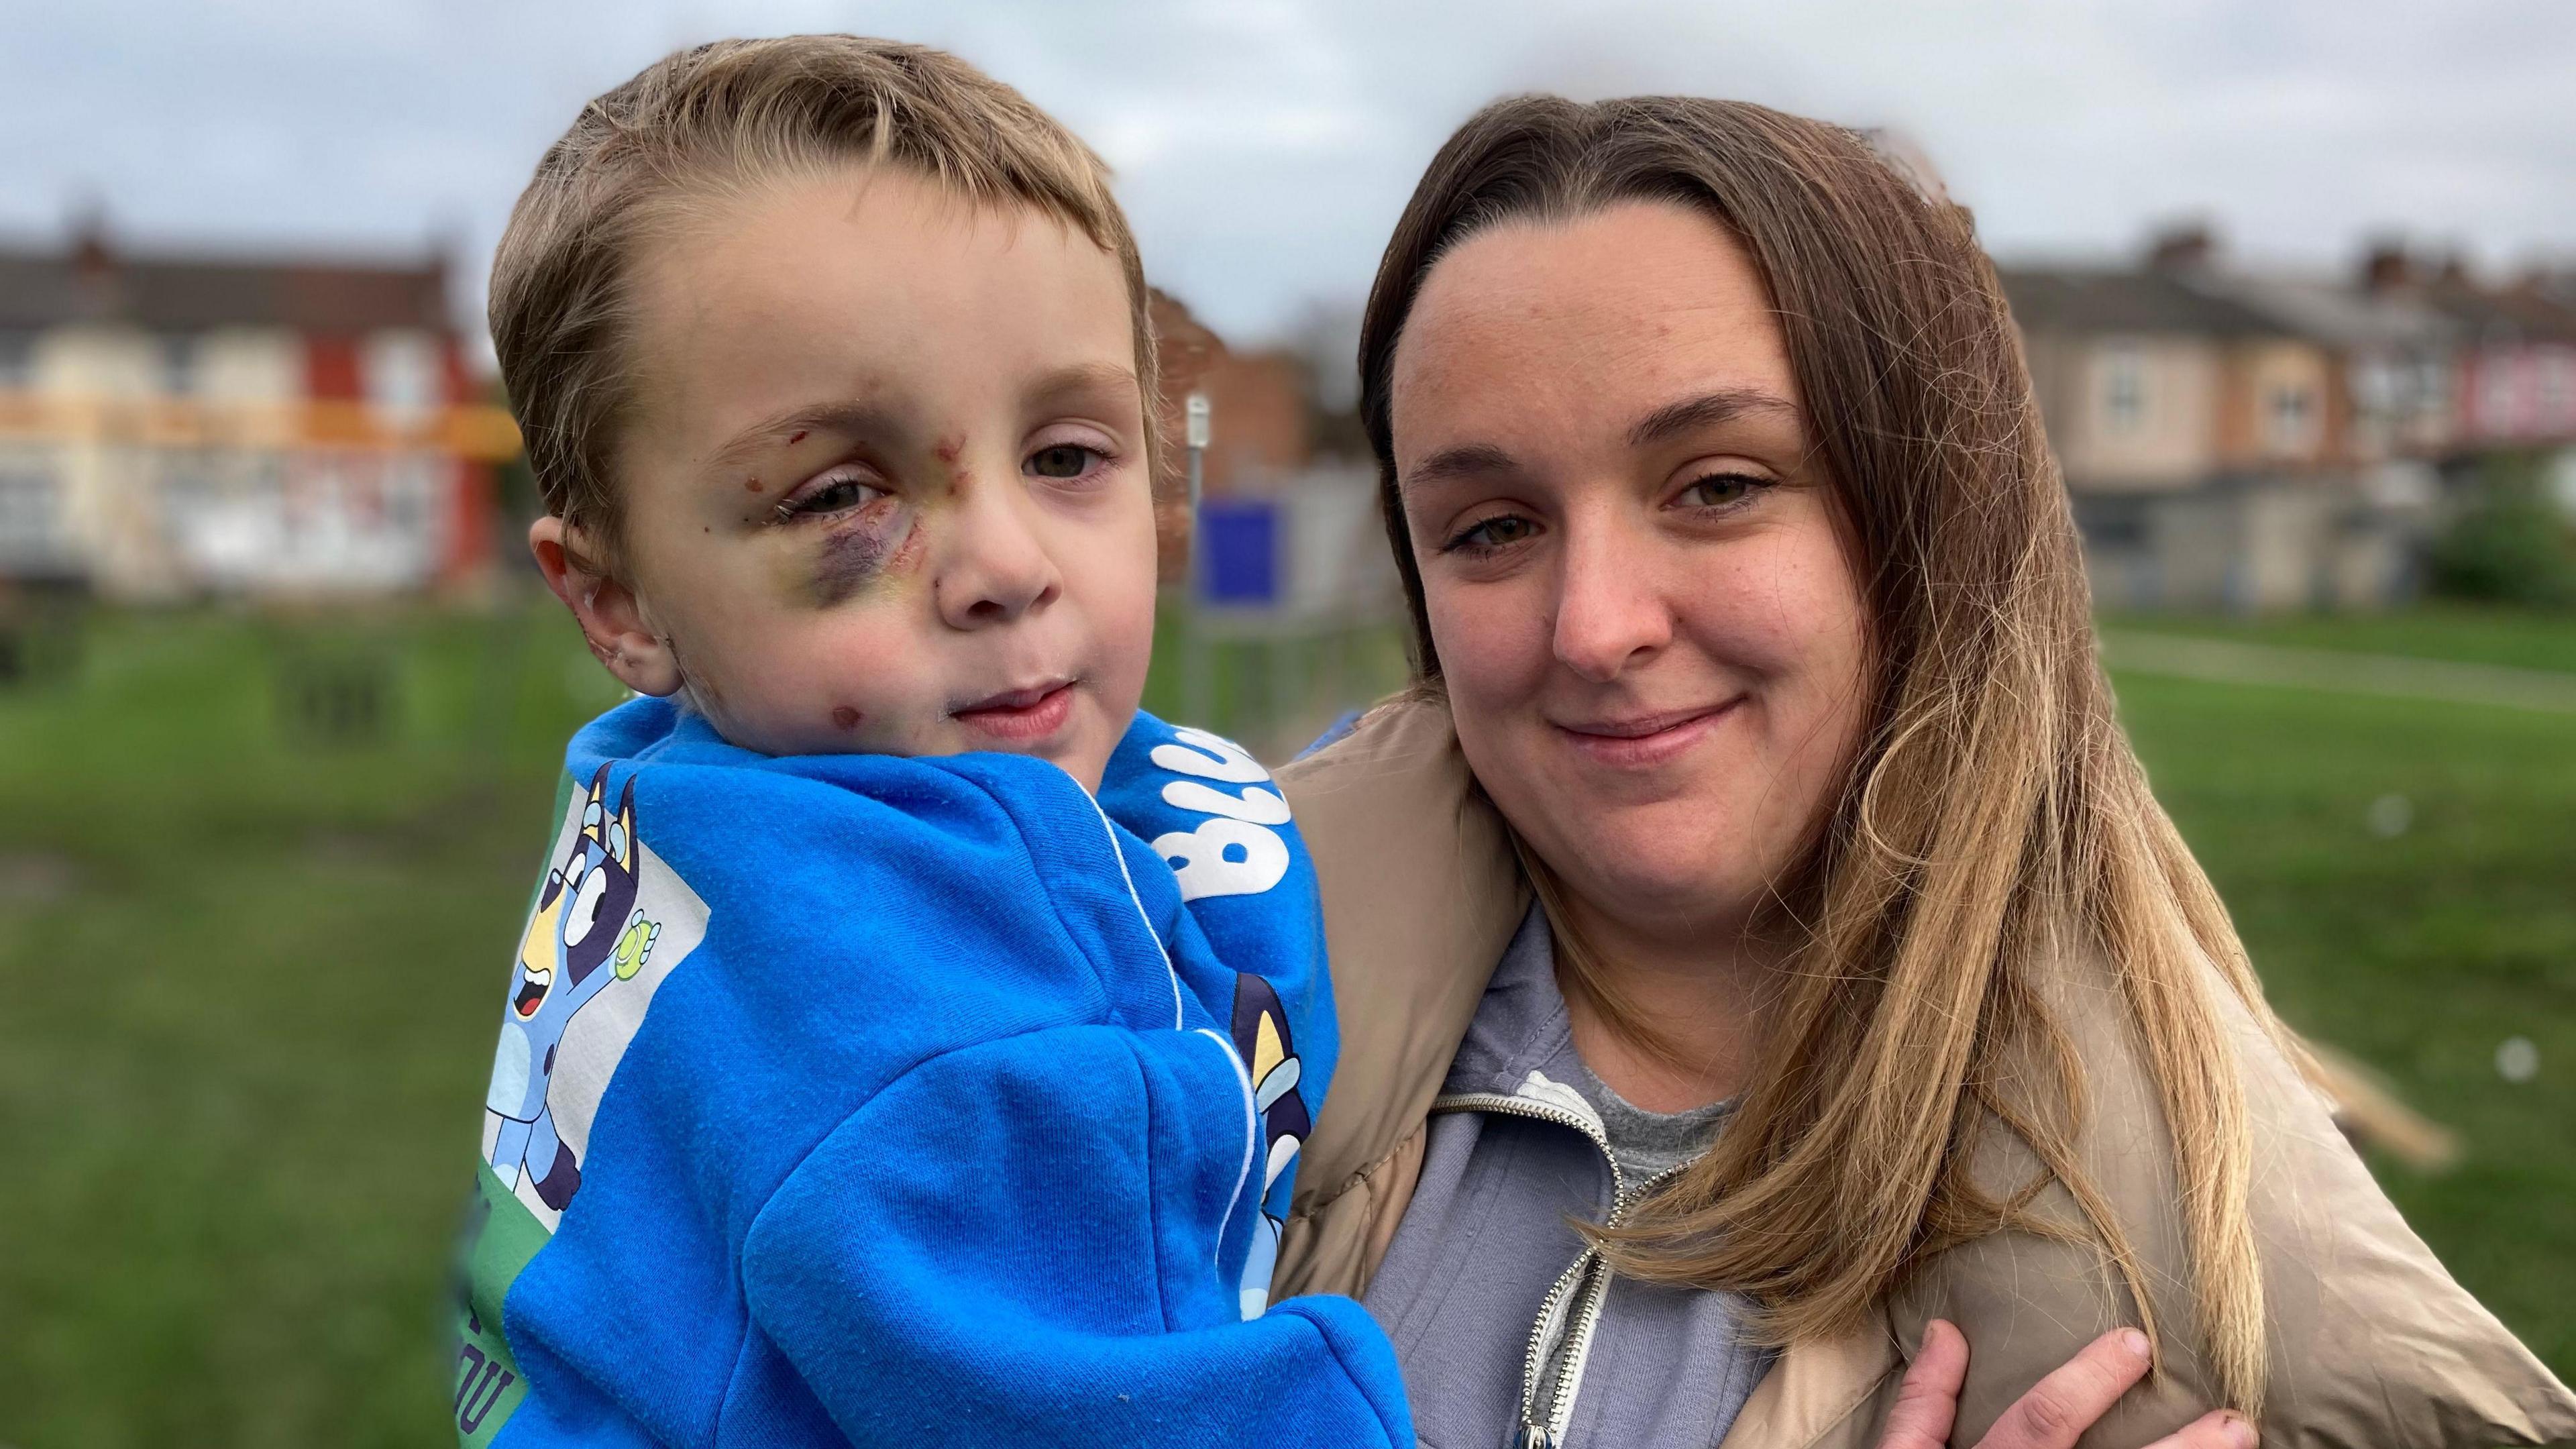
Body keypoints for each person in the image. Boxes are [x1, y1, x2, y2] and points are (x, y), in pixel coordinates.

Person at [1270, 94, 2576, 1448]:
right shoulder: (1172, 1038)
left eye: (1717, 485)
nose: (1595, 626)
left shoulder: (2224, 1303)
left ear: (1933, 525)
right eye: (1491, 527)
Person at [445, 38, 1409, 1447]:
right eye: (844, 493)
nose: (1007, 564)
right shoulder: (932, 1070)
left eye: (1070, 455)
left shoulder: (707, 772)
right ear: (616, 600)